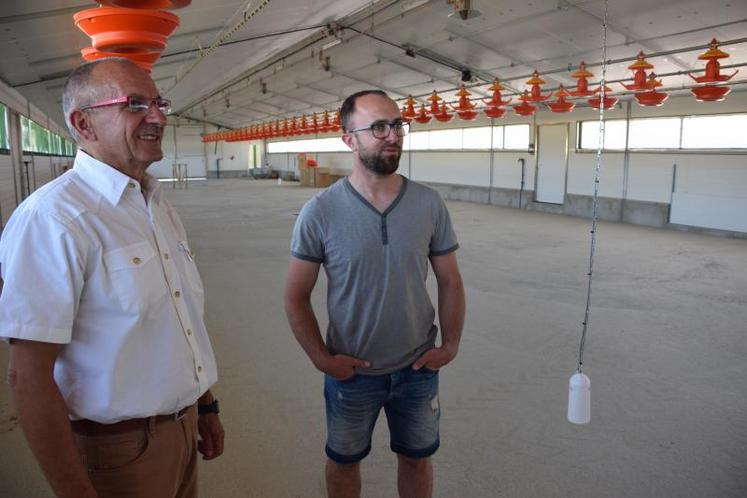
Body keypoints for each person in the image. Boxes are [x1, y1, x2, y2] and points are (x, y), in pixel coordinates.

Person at [0, 58, 224, 498]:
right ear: (84, 123)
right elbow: (27, 376)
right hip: (118, 451)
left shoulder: (154, 202)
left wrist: (206, 404)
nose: (157, 116)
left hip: (183, 428)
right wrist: (76, 491)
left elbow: (178, 317)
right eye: (135, 104)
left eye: (159, 103)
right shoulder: (55, 219)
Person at [284, 90, 466, 498]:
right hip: (353, 373)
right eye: (378, 127)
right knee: (343, 464)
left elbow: (450, 280)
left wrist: (450, 345)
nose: (393, 135)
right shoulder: (320, 211)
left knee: (417, 459)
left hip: (417, 367)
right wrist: (321, 358)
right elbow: (296, 295)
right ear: (349, 138)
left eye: (398, 125)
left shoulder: (427, 203)